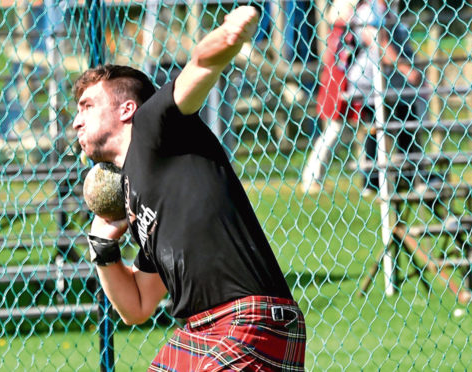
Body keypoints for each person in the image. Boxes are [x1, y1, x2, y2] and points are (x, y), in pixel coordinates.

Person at [71, 6, 305, 371]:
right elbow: (137, 305)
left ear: (127, 109)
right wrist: (103, 248)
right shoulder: (136, 195)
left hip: (250, 319)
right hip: (200, 331)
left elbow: (201, 66)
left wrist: (230, 36)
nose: (76, 121)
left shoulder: (155, 126)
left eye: (87, 106)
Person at [302, 0, 424, 195]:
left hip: (370, 81)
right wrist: (406, 69)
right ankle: (389, 177)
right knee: (351, 128)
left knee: (372, 126)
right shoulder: (370, 10)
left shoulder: (382, 10)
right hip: (365, 81)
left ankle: (382, 178)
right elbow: (379, 43)